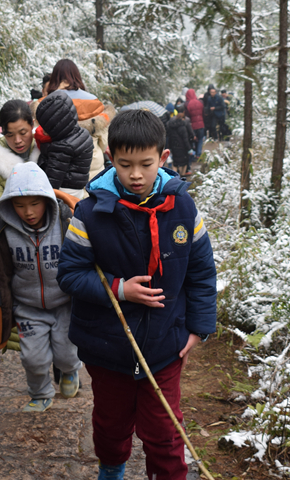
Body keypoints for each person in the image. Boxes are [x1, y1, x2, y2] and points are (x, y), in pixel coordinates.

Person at [57, 109, 217, 480]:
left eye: (145, 164)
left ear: (162, 158)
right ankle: (111, 468)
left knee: (165, 431)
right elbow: (70, 273)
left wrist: (198, 327)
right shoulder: (91, 212)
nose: (135, 175)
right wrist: (119, 289)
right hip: (107, 347)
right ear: (110, 158)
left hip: (165, 345)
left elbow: (202, 271)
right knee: (111, 424)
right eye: (125, 164)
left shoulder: (182, 208)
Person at [0, 162, 83, 412]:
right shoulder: (4, 231)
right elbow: (0, 272)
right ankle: (40, 393)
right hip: (28, 307)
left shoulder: (66, 222)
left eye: (35, 204)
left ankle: (70, 371)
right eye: (19, 206)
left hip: (64, 303)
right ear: (10, 205)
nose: (28, 212)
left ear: (47, 200)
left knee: (67, 353)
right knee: (33, 358)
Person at [42, 59, 115, 179]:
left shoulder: (49, 103)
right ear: (77, 76)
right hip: (92, 159)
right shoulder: (93, 101)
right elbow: (103, 141)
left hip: (59, 163)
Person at [0, 100, 41, 220]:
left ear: (32, 125)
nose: (17, 140)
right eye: (10, 135)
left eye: (23, 133)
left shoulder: (46, 150)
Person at [35, 90, 94, 199]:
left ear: (54, 126)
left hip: (65, 190)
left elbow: (53, 180)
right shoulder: (83, 134)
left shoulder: (62, 146)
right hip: (79, 187)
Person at [166, 109, 193, 176]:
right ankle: (182, 175)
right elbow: (185, 140)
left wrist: (169, 147)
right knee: (184, 163)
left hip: (174, 147)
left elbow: (169, 138)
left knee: (175, 163)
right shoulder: (183, 127)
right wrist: (189, 149)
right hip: (182, 148)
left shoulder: (171, 126)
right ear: (182, 119)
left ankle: (175, 177)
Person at [184, 89, 205, 160]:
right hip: (201, 125)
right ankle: (198, 154)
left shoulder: (187, 104)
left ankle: (193, 155)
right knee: (200, 140)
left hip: (192, 126)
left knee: (192, 140)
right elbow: (203, 113)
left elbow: (187, 116)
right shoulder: (201, 102)